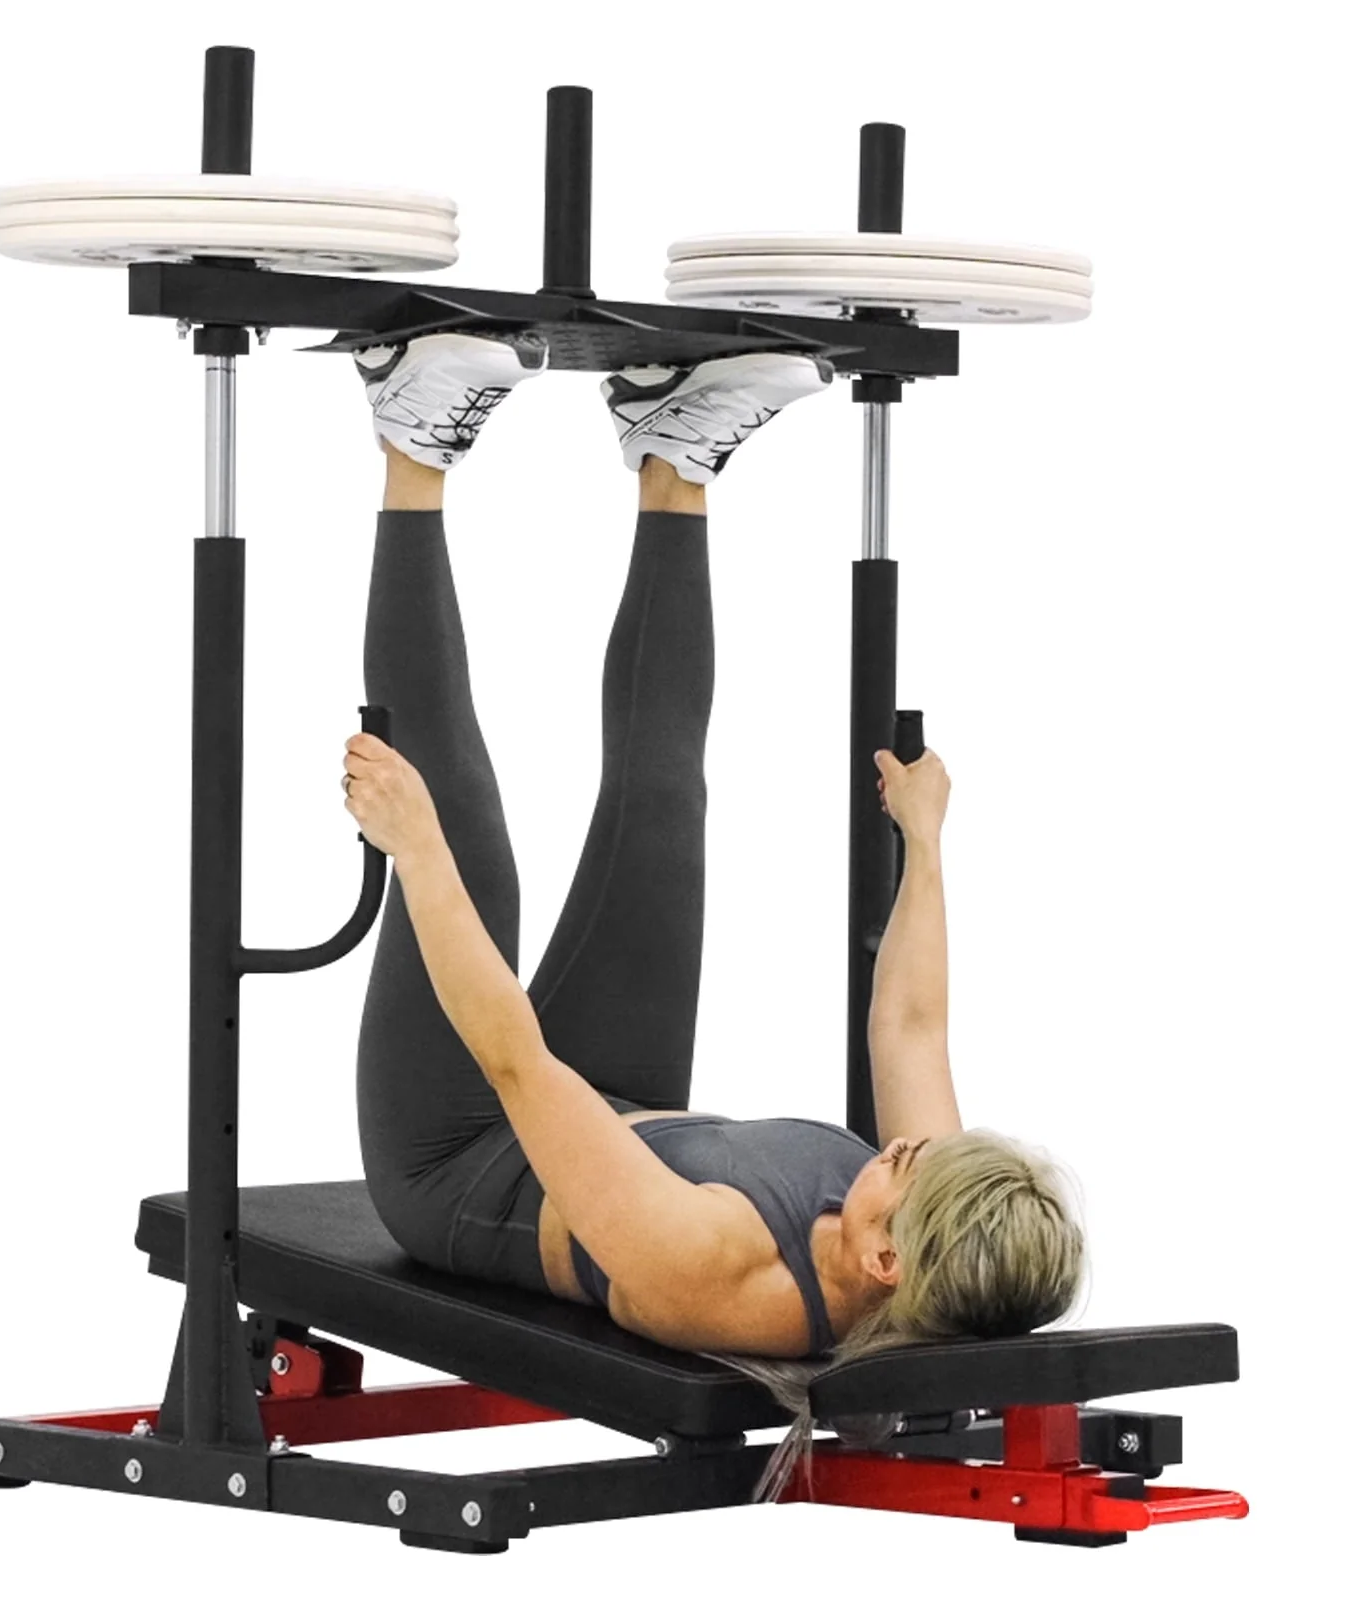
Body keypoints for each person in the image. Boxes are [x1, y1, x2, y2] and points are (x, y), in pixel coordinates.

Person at [339, 333, 1085, 1481]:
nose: (906, 1144)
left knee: (471, 847)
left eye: (907, 1165)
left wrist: (416, 850)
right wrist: (925, 845)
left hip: (459, 1147)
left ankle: (408, 437)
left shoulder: (711, 1261)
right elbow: (910, 1025)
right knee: (663, 805)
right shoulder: (937, 1220)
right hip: (626, 1102)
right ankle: (670, 448)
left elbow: (516, 1063)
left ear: (883, 1263)